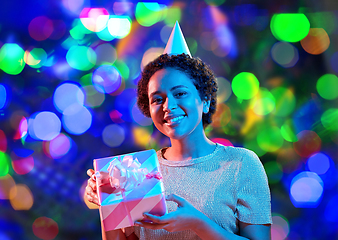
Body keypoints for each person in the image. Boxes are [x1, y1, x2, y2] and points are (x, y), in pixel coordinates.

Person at [86, 22, 272, 240]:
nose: (168, 106)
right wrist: (107, 203)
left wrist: (198, 223)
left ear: (205, 99)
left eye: (180, 93)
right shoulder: (138, 172)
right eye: (157, 99)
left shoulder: (241, 163)